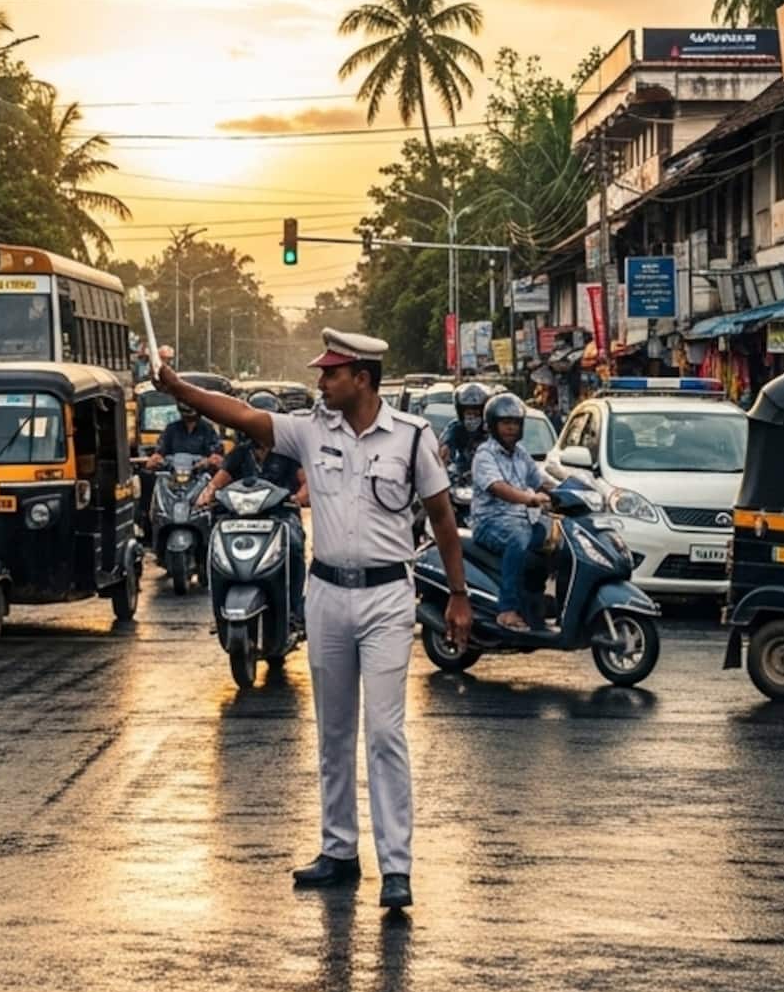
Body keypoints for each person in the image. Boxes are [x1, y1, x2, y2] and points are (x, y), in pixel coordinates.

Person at [155, 330, 471, 912]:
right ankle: (339, 850)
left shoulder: (410, 438)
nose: (321, 383)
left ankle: (396, 867)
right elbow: (244, 416)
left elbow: (442, 517)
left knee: (384, 732)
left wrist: (457, 594)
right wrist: (179, 387)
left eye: (331, 374)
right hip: (325, 591)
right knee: (332, 731)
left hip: (386, 598)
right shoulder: (311, 430)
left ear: (363, 379)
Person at [202, 390, 310, 624]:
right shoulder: (240, 453)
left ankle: (294, 610)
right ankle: (218, 611)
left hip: (281, 518)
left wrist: (298, 498)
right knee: (215, 547)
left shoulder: (289, 453)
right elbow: (219, 480)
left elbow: (305, 483)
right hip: (240, 519)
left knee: (295, 547)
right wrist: (206, 495)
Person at [469, 391, 558, 632]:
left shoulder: (521, 454)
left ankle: (537, 601)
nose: (510, 428)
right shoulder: (485, 454)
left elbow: (541, 480)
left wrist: (570, 491)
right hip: (490, 522)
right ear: (493, 426)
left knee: (557, 539)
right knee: (518, 539)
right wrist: (529, 498)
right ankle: (507, 610)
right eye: (505, 423)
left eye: (515, 423)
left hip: (521, 520)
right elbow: (498, 488)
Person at [146, 399, 223, 473]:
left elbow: (216, 455)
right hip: (173, 474)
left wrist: (210, 461)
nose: (188, 416)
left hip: (199, 474)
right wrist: (156, 459)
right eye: (185, 413)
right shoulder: (171, 428)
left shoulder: (207, 429)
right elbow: (160, 451)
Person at [441, 382, 490, 478]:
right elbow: (444, 449)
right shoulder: (455, 428)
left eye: (476, 412)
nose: (472, 416)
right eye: (468, 412)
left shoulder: (493, 429)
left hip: (490, 475)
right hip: (461, 475)